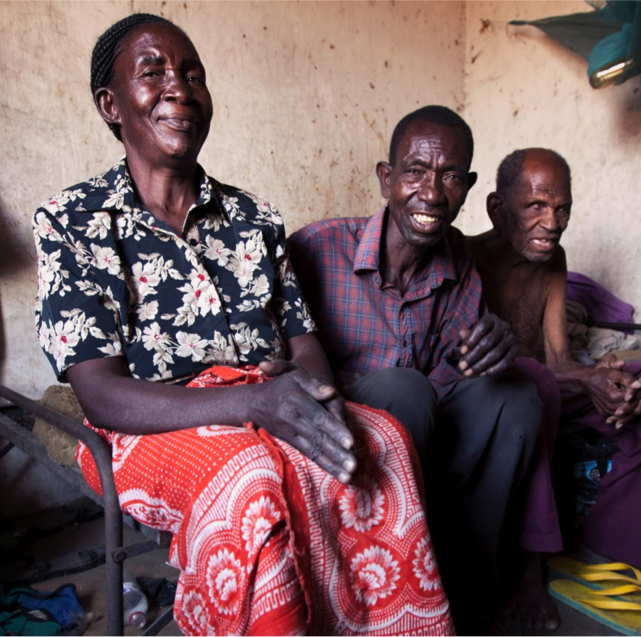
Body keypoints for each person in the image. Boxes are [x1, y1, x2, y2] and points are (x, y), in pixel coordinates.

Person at [33, 14, 453, 636]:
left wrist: (320, 396)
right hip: (152, 420)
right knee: (249, 478)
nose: (179, 89)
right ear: (110, 105)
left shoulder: (255, 218)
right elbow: (99, 394)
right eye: (153, 73)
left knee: (382, 442)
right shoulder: (73, 221)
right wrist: (254, 403)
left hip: (266, 397)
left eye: (193, 75)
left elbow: (304, 340)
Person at [287, 106, 554, 633]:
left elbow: (454, 372)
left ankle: (463, 587)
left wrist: (492, 349)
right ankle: (382, 594)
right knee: (403, 389)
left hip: (423, 423)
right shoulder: (318, 247)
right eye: (415, 171)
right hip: (340, 435)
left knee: (518, 395)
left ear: (467, 188)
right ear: (386, 179)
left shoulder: (460, 264)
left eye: (450, 176)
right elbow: (281, 359)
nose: (431, 193)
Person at [467, 148, 641, 619]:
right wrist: (585, 378)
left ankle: (620, 537)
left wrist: (602, 379)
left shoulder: (551, 260)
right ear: (498, 208)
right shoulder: (466, 257)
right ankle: (529, 562)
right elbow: (483, 364)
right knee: (532, 379)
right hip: (501, 396)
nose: (551, 223)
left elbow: (559, 358)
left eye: (562, 209)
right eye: (535, 206)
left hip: (550, 386)